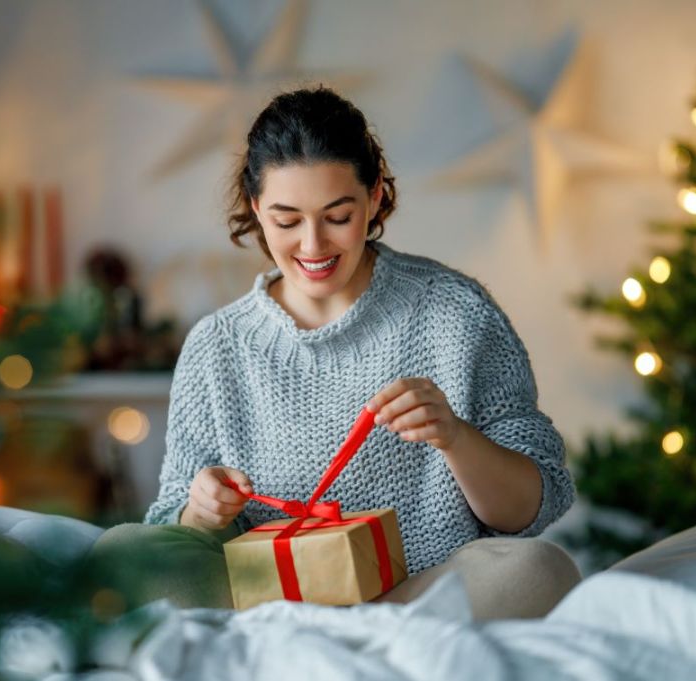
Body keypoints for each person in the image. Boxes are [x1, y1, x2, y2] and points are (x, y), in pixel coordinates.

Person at [88, 86, 580, 618]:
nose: (313, 245)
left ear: (374, 198)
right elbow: (173, 525)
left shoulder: (456, 313)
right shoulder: (217, 345)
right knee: (119, 555)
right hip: (266, 600)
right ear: (256, 209)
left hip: (421, 596)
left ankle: (335, 649)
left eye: (338, 216)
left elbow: (534, 505)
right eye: (286, 220)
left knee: (538, 571)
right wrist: (199, 510)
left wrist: (455, 437)